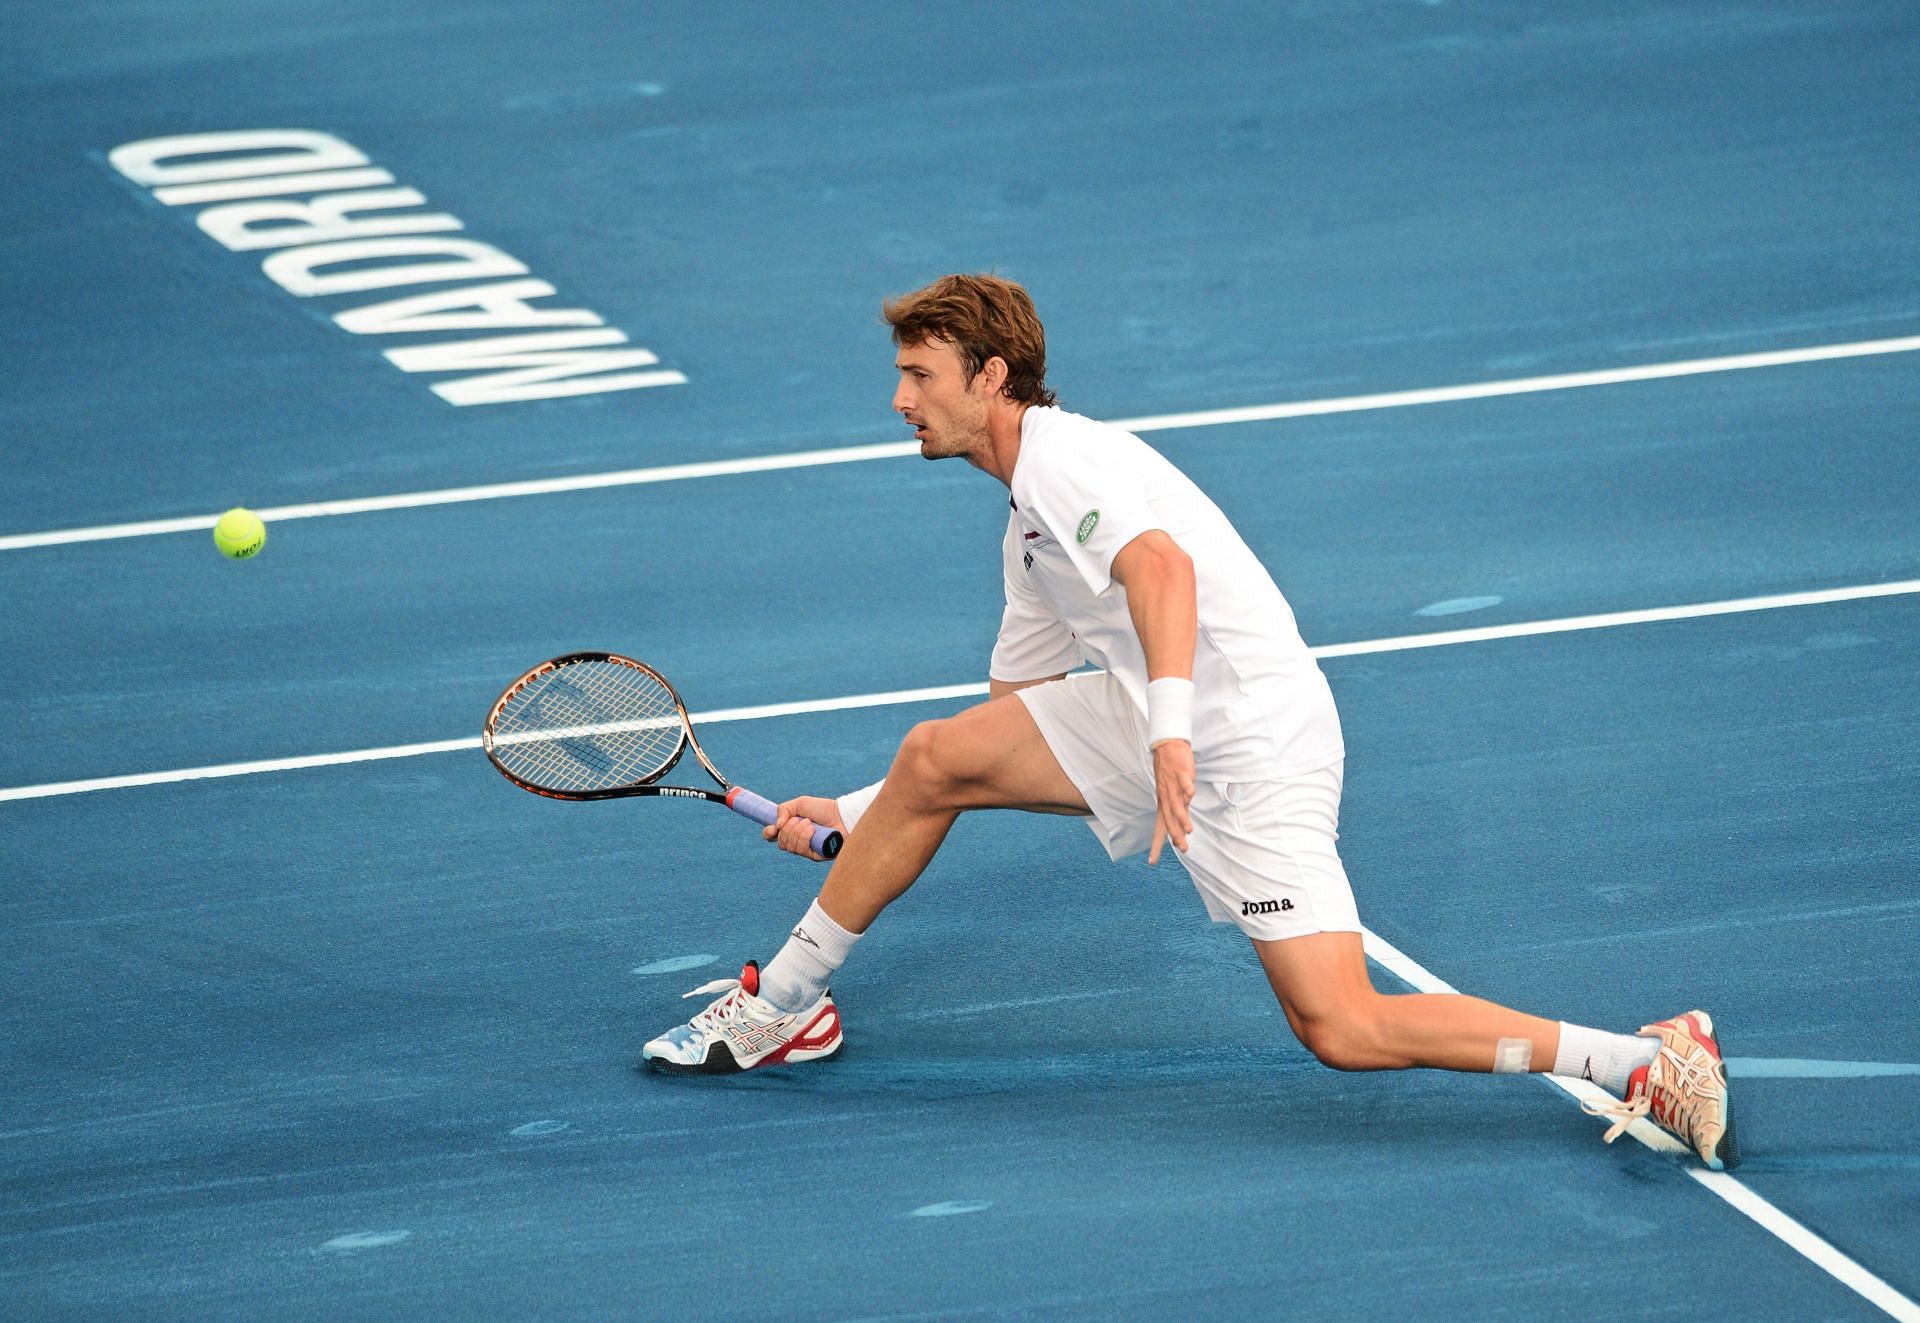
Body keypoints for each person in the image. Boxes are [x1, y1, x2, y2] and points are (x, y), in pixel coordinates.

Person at [641, 273, 1738, 1171]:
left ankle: (1640, 1061)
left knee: (1342, 1030)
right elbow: (1007, 725)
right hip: (1152, 719)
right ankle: (787, 1001)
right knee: (933, 758)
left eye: (919, 377)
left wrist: (1171, 732)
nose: (899, 401)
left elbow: (1161, 570)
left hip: (1248, 744)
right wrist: (858, 813)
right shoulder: (1029, 526)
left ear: (990, 376)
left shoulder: (1068, 455)